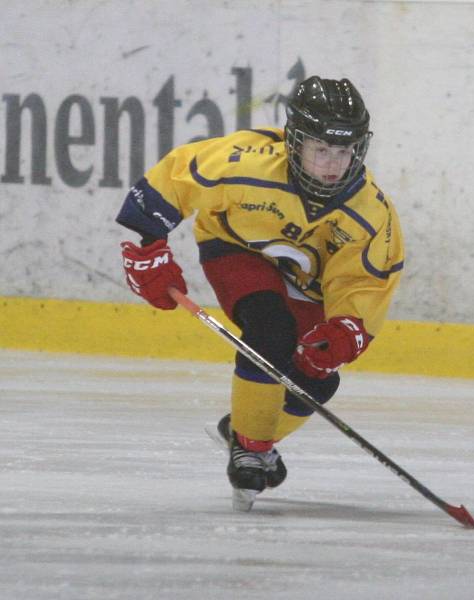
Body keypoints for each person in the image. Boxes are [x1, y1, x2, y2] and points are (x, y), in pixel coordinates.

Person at [116, 76, 404, 511]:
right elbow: (175, 177)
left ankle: (247, 432)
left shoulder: (370, 212)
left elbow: (362, 283)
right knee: (269, 330)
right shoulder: (245, 163)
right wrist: (147, 246)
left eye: (343, 151)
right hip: (237, 249)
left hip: (308, 286)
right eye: (321, 150)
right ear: (296, 142)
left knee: (316, 380)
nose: (333, 164)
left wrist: (347, 329)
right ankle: (250, 448)